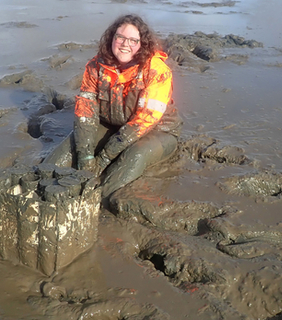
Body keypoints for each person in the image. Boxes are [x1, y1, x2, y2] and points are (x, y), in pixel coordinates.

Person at [43, 14, 181, 196]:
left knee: (132, 157)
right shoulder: (95, 66)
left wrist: (104, 158)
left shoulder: (157, 71)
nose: (125, 44)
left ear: (142, 44)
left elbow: (145, 121)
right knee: (63, 154)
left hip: (157, 131)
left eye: (133, 40)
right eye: (120, 37)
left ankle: (96, 199)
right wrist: (85, 157)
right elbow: (85, 112)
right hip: (111, 124)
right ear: (112, 38)